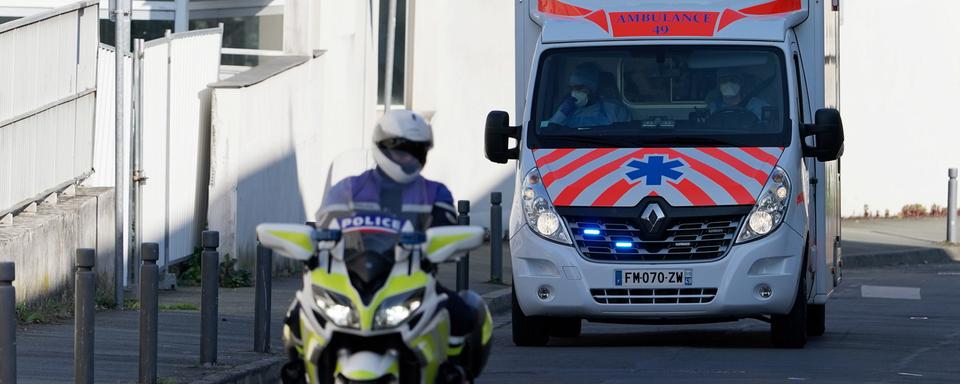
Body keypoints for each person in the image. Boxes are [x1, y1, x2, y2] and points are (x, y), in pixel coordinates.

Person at [281, 110, 474, 382]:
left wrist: (446, 241)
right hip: (350, 276)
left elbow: (446, 231)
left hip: (409, 279)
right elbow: (326, 226)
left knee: (466, 315)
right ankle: (301, 372)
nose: (409, 157)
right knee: (297, 315)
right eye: (402, 149)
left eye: (416, 151)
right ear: (383, 147)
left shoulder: (435, 192)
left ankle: (452, 373)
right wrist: (313, 241)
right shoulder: (349, 188)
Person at [549, 62, 630, 128]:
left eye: (578, 88)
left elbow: (625, 133)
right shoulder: (566, 108)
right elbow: (550, 129)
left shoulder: (614, 109)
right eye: (571, 88)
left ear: (593, 88)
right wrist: (562, 114)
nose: (574, 92)